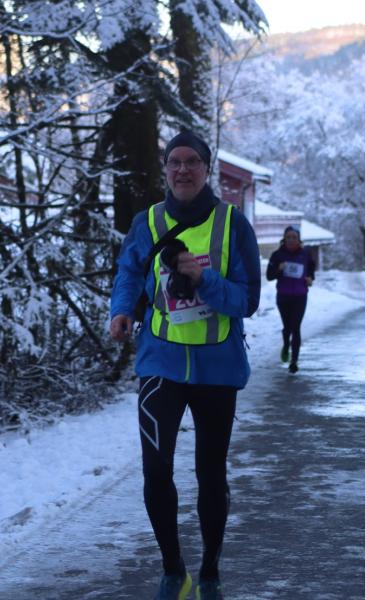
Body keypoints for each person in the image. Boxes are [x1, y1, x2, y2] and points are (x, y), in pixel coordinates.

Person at [109, 130, 261, 600]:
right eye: (174, 161)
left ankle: (210, 571)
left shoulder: (233, 225)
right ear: (166, 168)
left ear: (206, 167)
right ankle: (173, 568)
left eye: (192, 161)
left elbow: (248, 300)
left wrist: (203, 279)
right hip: (160, 365)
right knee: (156, 471)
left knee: (210, 472)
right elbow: (130, 270)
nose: (182, 170)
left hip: (217, 369)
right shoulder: (148, 221)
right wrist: (122, 308)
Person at [265, 226, 315, 373]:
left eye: (294, 237)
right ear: (284, 239)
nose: (291, 240)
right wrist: (279, 269)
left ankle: (294, 361)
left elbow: (311, 270)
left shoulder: (306, 254)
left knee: (296, 327)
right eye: (289, 237)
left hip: (300, 296)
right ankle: (286, 344)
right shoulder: (277, 255)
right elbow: (269, 275)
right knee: (287, 327)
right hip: (283, 296)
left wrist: (310, 278)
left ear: (299, 239)